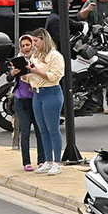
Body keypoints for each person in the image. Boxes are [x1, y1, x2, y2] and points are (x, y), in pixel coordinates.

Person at [25, 28, 67, 175]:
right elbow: (30, 77)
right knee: (43, 129)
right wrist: (24, 73)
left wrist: (37, 72)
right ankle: (48, 161)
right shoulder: (35, 55)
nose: (34, 44)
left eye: (36, 41)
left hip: (51, 93)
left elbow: (55, 76)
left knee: (53, 129)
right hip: (37, 93)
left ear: (44, 40)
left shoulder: (55, 56)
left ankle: (57, 162)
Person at [10, 34, 46, 173]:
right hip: (21, 100)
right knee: (25, 132)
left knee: (39, 131)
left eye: (28, 45)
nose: (26, 48)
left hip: (35, 99)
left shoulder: (37, 59)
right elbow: (8, 78)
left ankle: (42, 160)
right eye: (23, 45)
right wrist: (13, 73)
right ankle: (26, 162)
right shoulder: (17, 61)